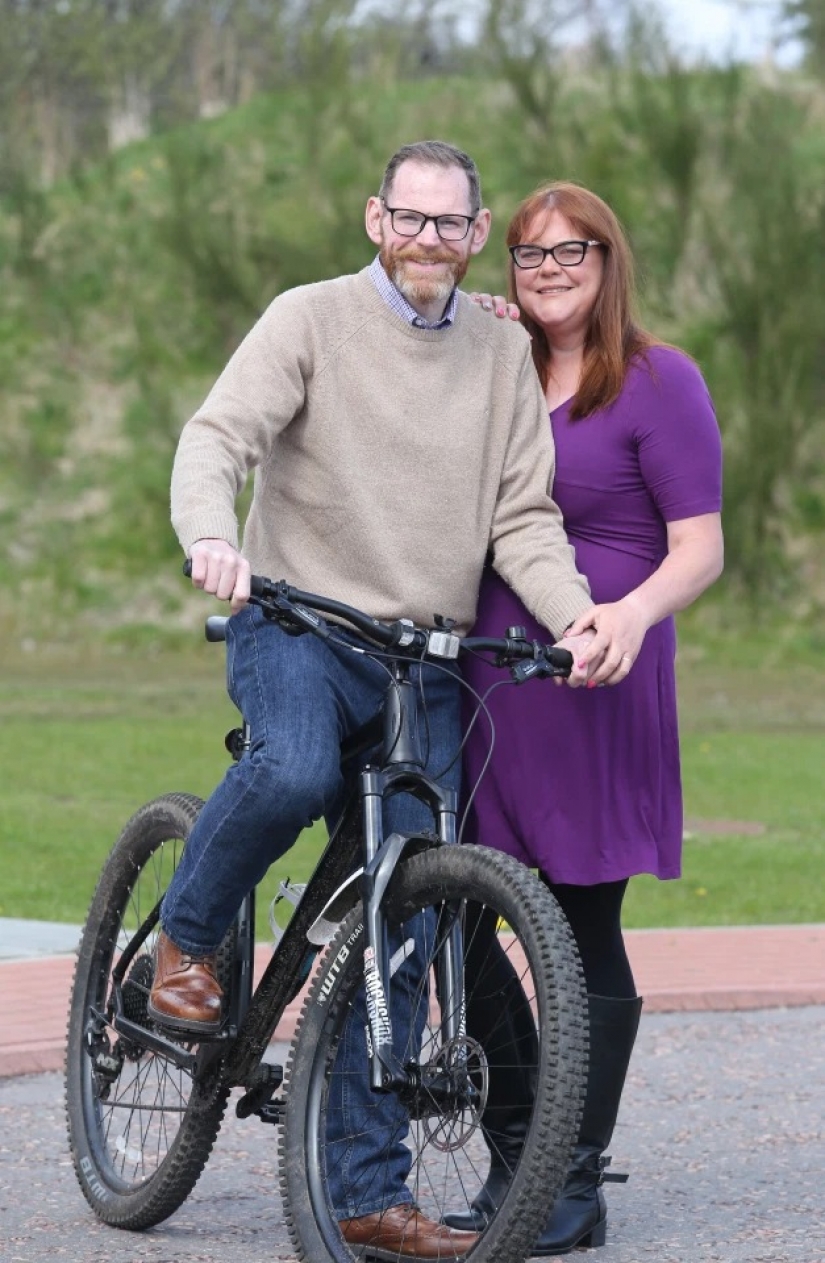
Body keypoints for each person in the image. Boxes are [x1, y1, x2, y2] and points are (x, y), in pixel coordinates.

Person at [147, 142, 623, 1260]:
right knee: (295, 766)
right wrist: (211, 536)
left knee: (407, 926)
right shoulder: (307, 318)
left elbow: (523, 520)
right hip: (296, 628)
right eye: (408, 219)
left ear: (475, 230)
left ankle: (365, 1194)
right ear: (375, 219)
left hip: (424, 659)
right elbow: (217, 438)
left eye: (450, 225)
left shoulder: (500, 354)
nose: (427, 240)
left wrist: (577, 617)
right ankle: (186, 938)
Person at [443, 182, 724, 1254]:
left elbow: (699, 544)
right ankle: (522, 1149)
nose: (548, 268)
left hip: (595, 679)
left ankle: (573, 1178)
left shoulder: (659, 381)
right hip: (489, 678)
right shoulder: (499, 367)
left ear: (610, 260)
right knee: (462, 917)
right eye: (525, 254)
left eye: (571, 250)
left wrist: (634, 614)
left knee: (577, 927)